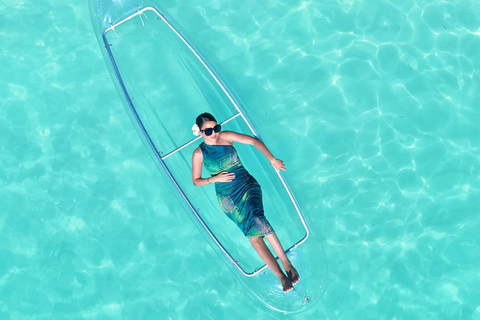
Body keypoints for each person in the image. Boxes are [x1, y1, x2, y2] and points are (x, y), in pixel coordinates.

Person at [191, 112, 299, 292]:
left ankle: (287, 263)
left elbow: (253, 141)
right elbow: (196, 180)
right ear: (200, 132)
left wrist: (272, 160)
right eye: (208, 131)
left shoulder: (225, 137)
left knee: (258, 219)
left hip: (247, 184)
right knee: (254, 237)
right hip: (227, 197)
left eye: (216, 128)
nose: (214, 133)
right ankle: (280, 276)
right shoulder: (198, 154)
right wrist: (214, 178)